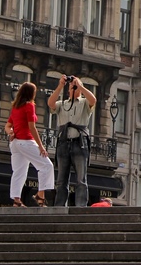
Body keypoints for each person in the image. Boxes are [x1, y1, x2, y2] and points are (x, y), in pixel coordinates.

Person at [48, 74, 97, 207]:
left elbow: (93, 100)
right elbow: (50, 103)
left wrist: (80, 85)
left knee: (81, 178)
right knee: (61, 179)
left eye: (75, 87)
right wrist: (60, 86)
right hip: (64, 142)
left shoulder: (84, 103)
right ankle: (59, 205)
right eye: (71, 87)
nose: (73, 88)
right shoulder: (62, 104)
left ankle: (81, 206)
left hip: (79, 142)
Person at [5, 82, 54, 207]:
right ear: (32, 93)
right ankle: (40, 195)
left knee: (18, 171)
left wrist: (10, 133)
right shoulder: (29, 106)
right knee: (47, 165)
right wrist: (41, 146)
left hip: (15, 143)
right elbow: (32, 127)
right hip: (26, 141)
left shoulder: (15, 107)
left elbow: (8, 125)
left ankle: (16, 200)